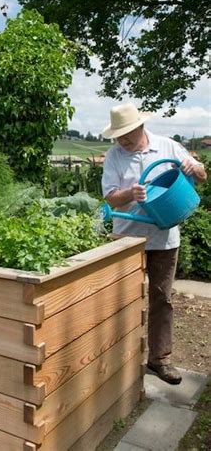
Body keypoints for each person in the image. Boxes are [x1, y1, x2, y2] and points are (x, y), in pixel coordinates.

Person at [101, 103, 207, 385]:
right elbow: (111, 198)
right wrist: (130, 193)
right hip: (127, 239)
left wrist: (194, 166)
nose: (121, 140)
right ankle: (119, 360)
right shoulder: (114, 156)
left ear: (140, 127)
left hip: (164, 239)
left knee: (162, 298)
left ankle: (160, 360)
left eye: (125, 133)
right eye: (117, 135)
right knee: (122, 300)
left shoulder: (168, 147)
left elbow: (202, 175)